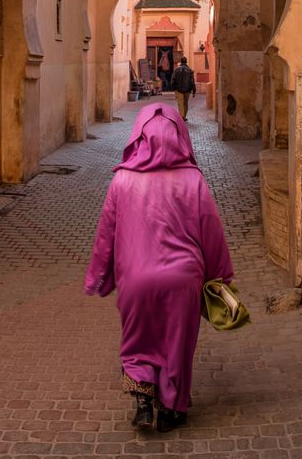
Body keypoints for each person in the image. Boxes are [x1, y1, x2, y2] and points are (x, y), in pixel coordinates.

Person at [84, 102, 233, 432]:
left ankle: (142, 402)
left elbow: (105, 236)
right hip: (184, 280)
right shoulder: (193, 180)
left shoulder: (122, 181)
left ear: (139, 137)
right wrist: (220, 275)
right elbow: (212, 232)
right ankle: (171, 407)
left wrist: (99, 276)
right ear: (181, 136)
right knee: (176, 343)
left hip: (136, 279)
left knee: (139, 340)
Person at [171, 56, 196, 121]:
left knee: (180, 103)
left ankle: (181, 116)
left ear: (181, 61)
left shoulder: (176, 70)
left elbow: (173, 79)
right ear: (186, 61)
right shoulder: (190, 70)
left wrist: (173, 87)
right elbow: (192, 82)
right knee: (185, 103)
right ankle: (184, 116)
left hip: (178, 89)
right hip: (187, 90)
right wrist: (194, 91)